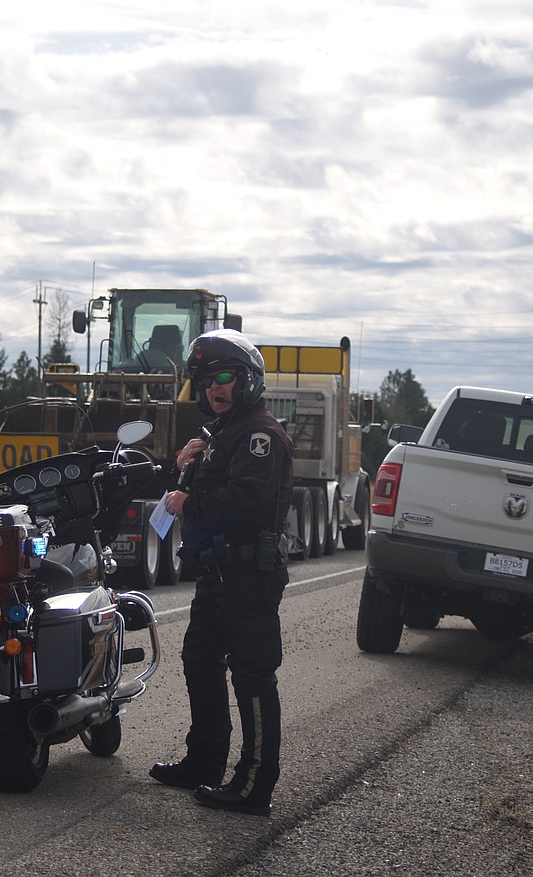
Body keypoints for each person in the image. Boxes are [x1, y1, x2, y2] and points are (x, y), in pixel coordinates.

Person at [149, 328, 294, 816]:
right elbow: (198, 495)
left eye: (226, 377)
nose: (215, 388)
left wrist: (191, 499)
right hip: (218, 573)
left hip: (249, 570)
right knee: (199, 659)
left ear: (249, 379)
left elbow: (244, 502)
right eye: (208, 380)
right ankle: (204, 763)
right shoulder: (221, 434)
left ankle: (255, 785)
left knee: (252, 674)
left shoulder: (259, 435)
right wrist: (185, 465)